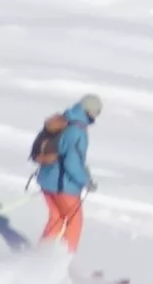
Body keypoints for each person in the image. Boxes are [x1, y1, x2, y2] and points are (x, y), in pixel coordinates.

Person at [27, 93, 101, 260]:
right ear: (91, 112)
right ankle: (63, 263)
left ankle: (40, 258)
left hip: (47, 182)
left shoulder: (63, 120)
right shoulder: (77, 130)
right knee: (75, 222)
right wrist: (85, 181)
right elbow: (71, 163)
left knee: (57, 219)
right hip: (64, 186)